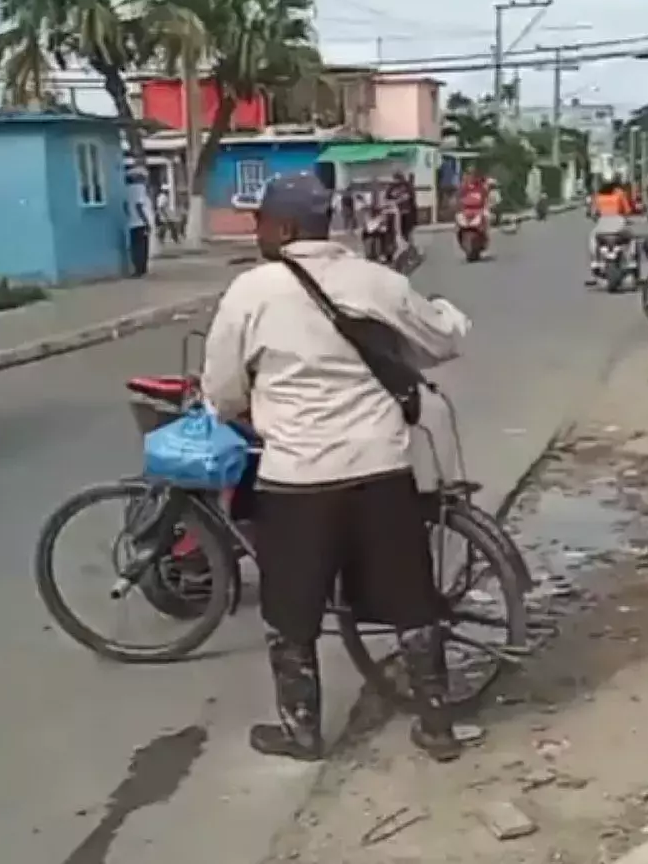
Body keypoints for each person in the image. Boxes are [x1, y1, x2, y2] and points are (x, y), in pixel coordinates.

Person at [201, 173, 473, 763]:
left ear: (286, 228)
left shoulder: (252, 292)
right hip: (380, 467)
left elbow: (221, 392)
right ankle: (437, 725)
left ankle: (302, 732)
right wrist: (447, 311)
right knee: (411, 600)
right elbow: (443, 340)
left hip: (298, 479)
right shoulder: (377, 281)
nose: (256, 230)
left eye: (261, 221)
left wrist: (247, 403)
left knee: (292, 610)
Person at [589, 179, 636, 282]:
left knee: (593, 238)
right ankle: (631, 260)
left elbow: (593, 214)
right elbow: (627, 211)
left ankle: (595, 261)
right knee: (632, 238)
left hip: (602, 228)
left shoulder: (598, 197)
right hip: (618, 226)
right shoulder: (620, 194)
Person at [125, 167, 154, 278]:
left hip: (131, 223)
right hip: (140, 223)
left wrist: (130, 216)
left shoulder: (127, 189)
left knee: (135, 247)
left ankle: (137, 270)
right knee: (143, 247)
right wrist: (146, 221)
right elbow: (139, 206)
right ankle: (142, 270)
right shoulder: (139, 188)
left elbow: (126, 206)